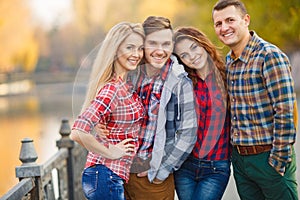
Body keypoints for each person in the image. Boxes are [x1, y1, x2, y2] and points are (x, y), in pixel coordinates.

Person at [97, 16, 198, 200]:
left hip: (150, 178)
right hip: (117, 171)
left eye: (166, 44)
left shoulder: (180, 82)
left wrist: (162, 171)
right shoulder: (131, 74)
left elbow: (188, 134)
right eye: (153, 44)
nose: (160, 51)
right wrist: (98, 124)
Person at [212, 0, 298, 199]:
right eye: (218, 23)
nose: (224, 28)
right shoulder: (230, 61)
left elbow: (285, 111)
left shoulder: (269, 56)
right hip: (241, 162)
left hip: (269, 159)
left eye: (230, 20)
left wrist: (278, 159)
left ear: (246, 20)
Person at [70, 22, 145, 200]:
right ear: (115, 49)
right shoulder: (111, 89)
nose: (136, 54)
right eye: (130, 47)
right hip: (104, 175)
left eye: (140, 48)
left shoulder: (125, 85)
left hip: (111, 176)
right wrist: (111, 151)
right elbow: (77, 132)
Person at [172, 27, 231, 200]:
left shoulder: (228, 76)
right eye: (184, 55)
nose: (192, 56)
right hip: (185, 166)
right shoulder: (183, 83)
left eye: (194, 47)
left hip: (216, 166)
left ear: (203, 44)